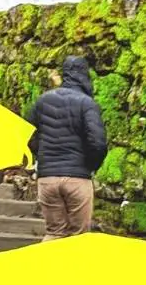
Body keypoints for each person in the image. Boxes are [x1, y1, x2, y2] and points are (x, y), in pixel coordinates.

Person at [26, 55, 107, 239]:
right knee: (78, 237)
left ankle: (42, 268)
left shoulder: (42, 101)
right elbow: (98, 143)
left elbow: (28, 134)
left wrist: (41, 156)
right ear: (85, 75)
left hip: (47, 178)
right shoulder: (87, 104)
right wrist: (89, 166)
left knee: (54, 232)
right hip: (77, 178)